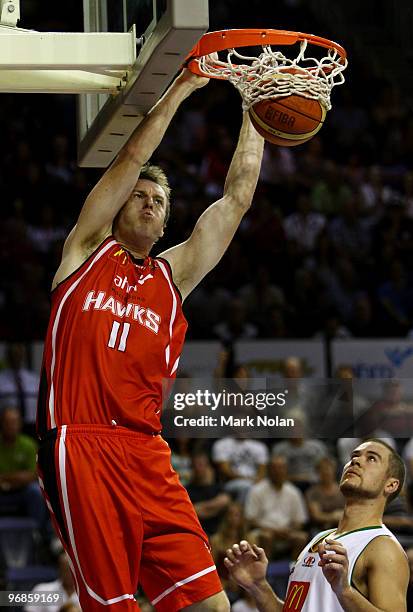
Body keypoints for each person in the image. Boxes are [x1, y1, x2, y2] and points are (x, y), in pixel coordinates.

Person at [35, 64, 265, 612]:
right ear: (117, 208)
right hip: (80, 443)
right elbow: (131, 158)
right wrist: (183, 87)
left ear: (165, 226)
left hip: (147, 453)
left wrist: (257, 108)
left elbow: (235, 200)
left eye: (157, 202)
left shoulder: (173, 278)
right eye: (137, 197)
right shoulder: (84, 251)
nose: (146, 203)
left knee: (213, 605)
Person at [225, 439, 409, 611]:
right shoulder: (320, 539)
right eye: (354, 456)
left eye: (371, 458)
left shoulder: (383, 547)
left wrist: (344, 591)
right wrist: (258, 586)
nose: (356, 461)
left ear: (391, 485)